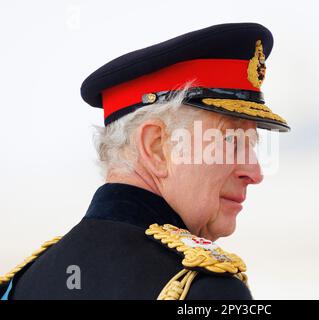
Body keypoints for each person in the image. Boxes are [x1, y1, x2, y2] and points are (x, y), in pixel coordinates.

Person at [0, 22, 289, 300]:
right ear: (157, 147)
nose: (255, 172)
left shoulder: (22, 282)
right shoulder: (203, 290)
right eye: (230, 141)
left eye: (251, 146)